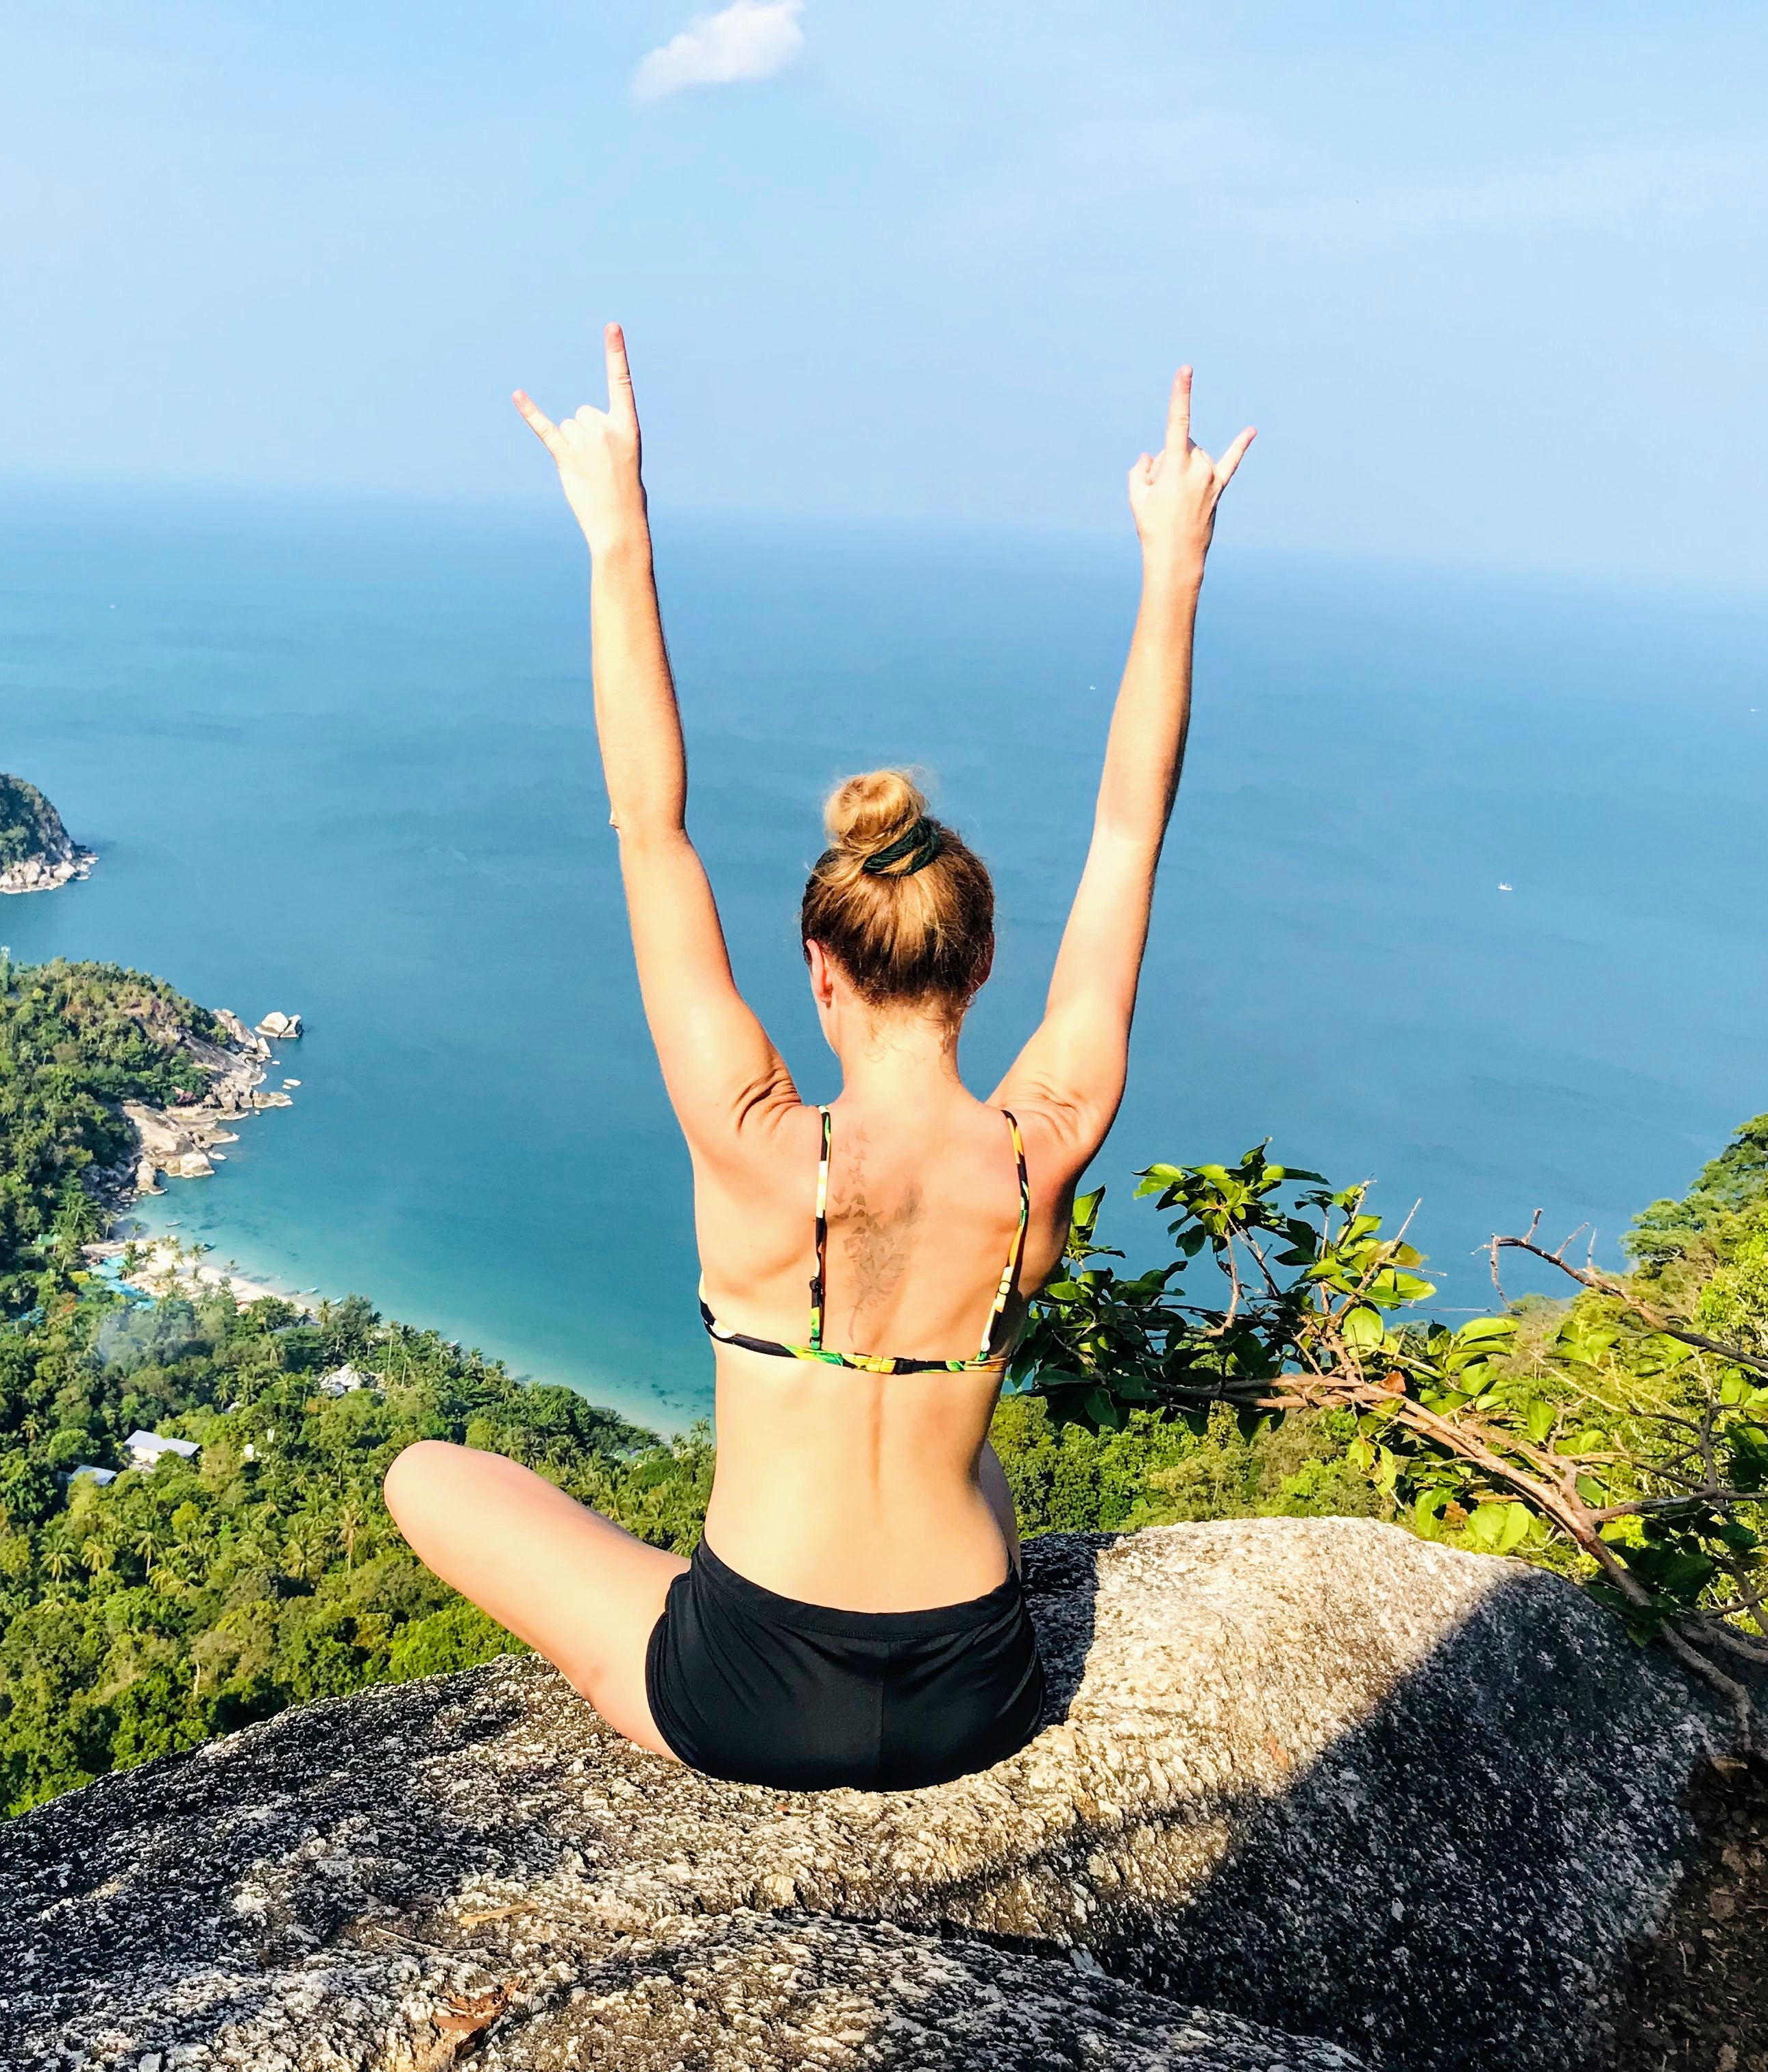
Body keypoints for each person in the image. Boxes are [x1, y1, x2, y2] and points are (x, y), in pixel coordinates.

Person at [380, 325, 1254, 1792]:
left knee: (427, 1478)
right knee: (980, 1457)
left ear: (819, 970)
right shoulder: (1048, 1138)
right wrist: (1173, 571)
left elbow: (648, 822)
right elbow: (1127, 833)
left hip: (747, 1687)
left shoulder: (750, 1139)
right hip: (979, 1691)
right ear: (981, 967)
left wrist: (619, 531)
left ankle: (698, 1579)